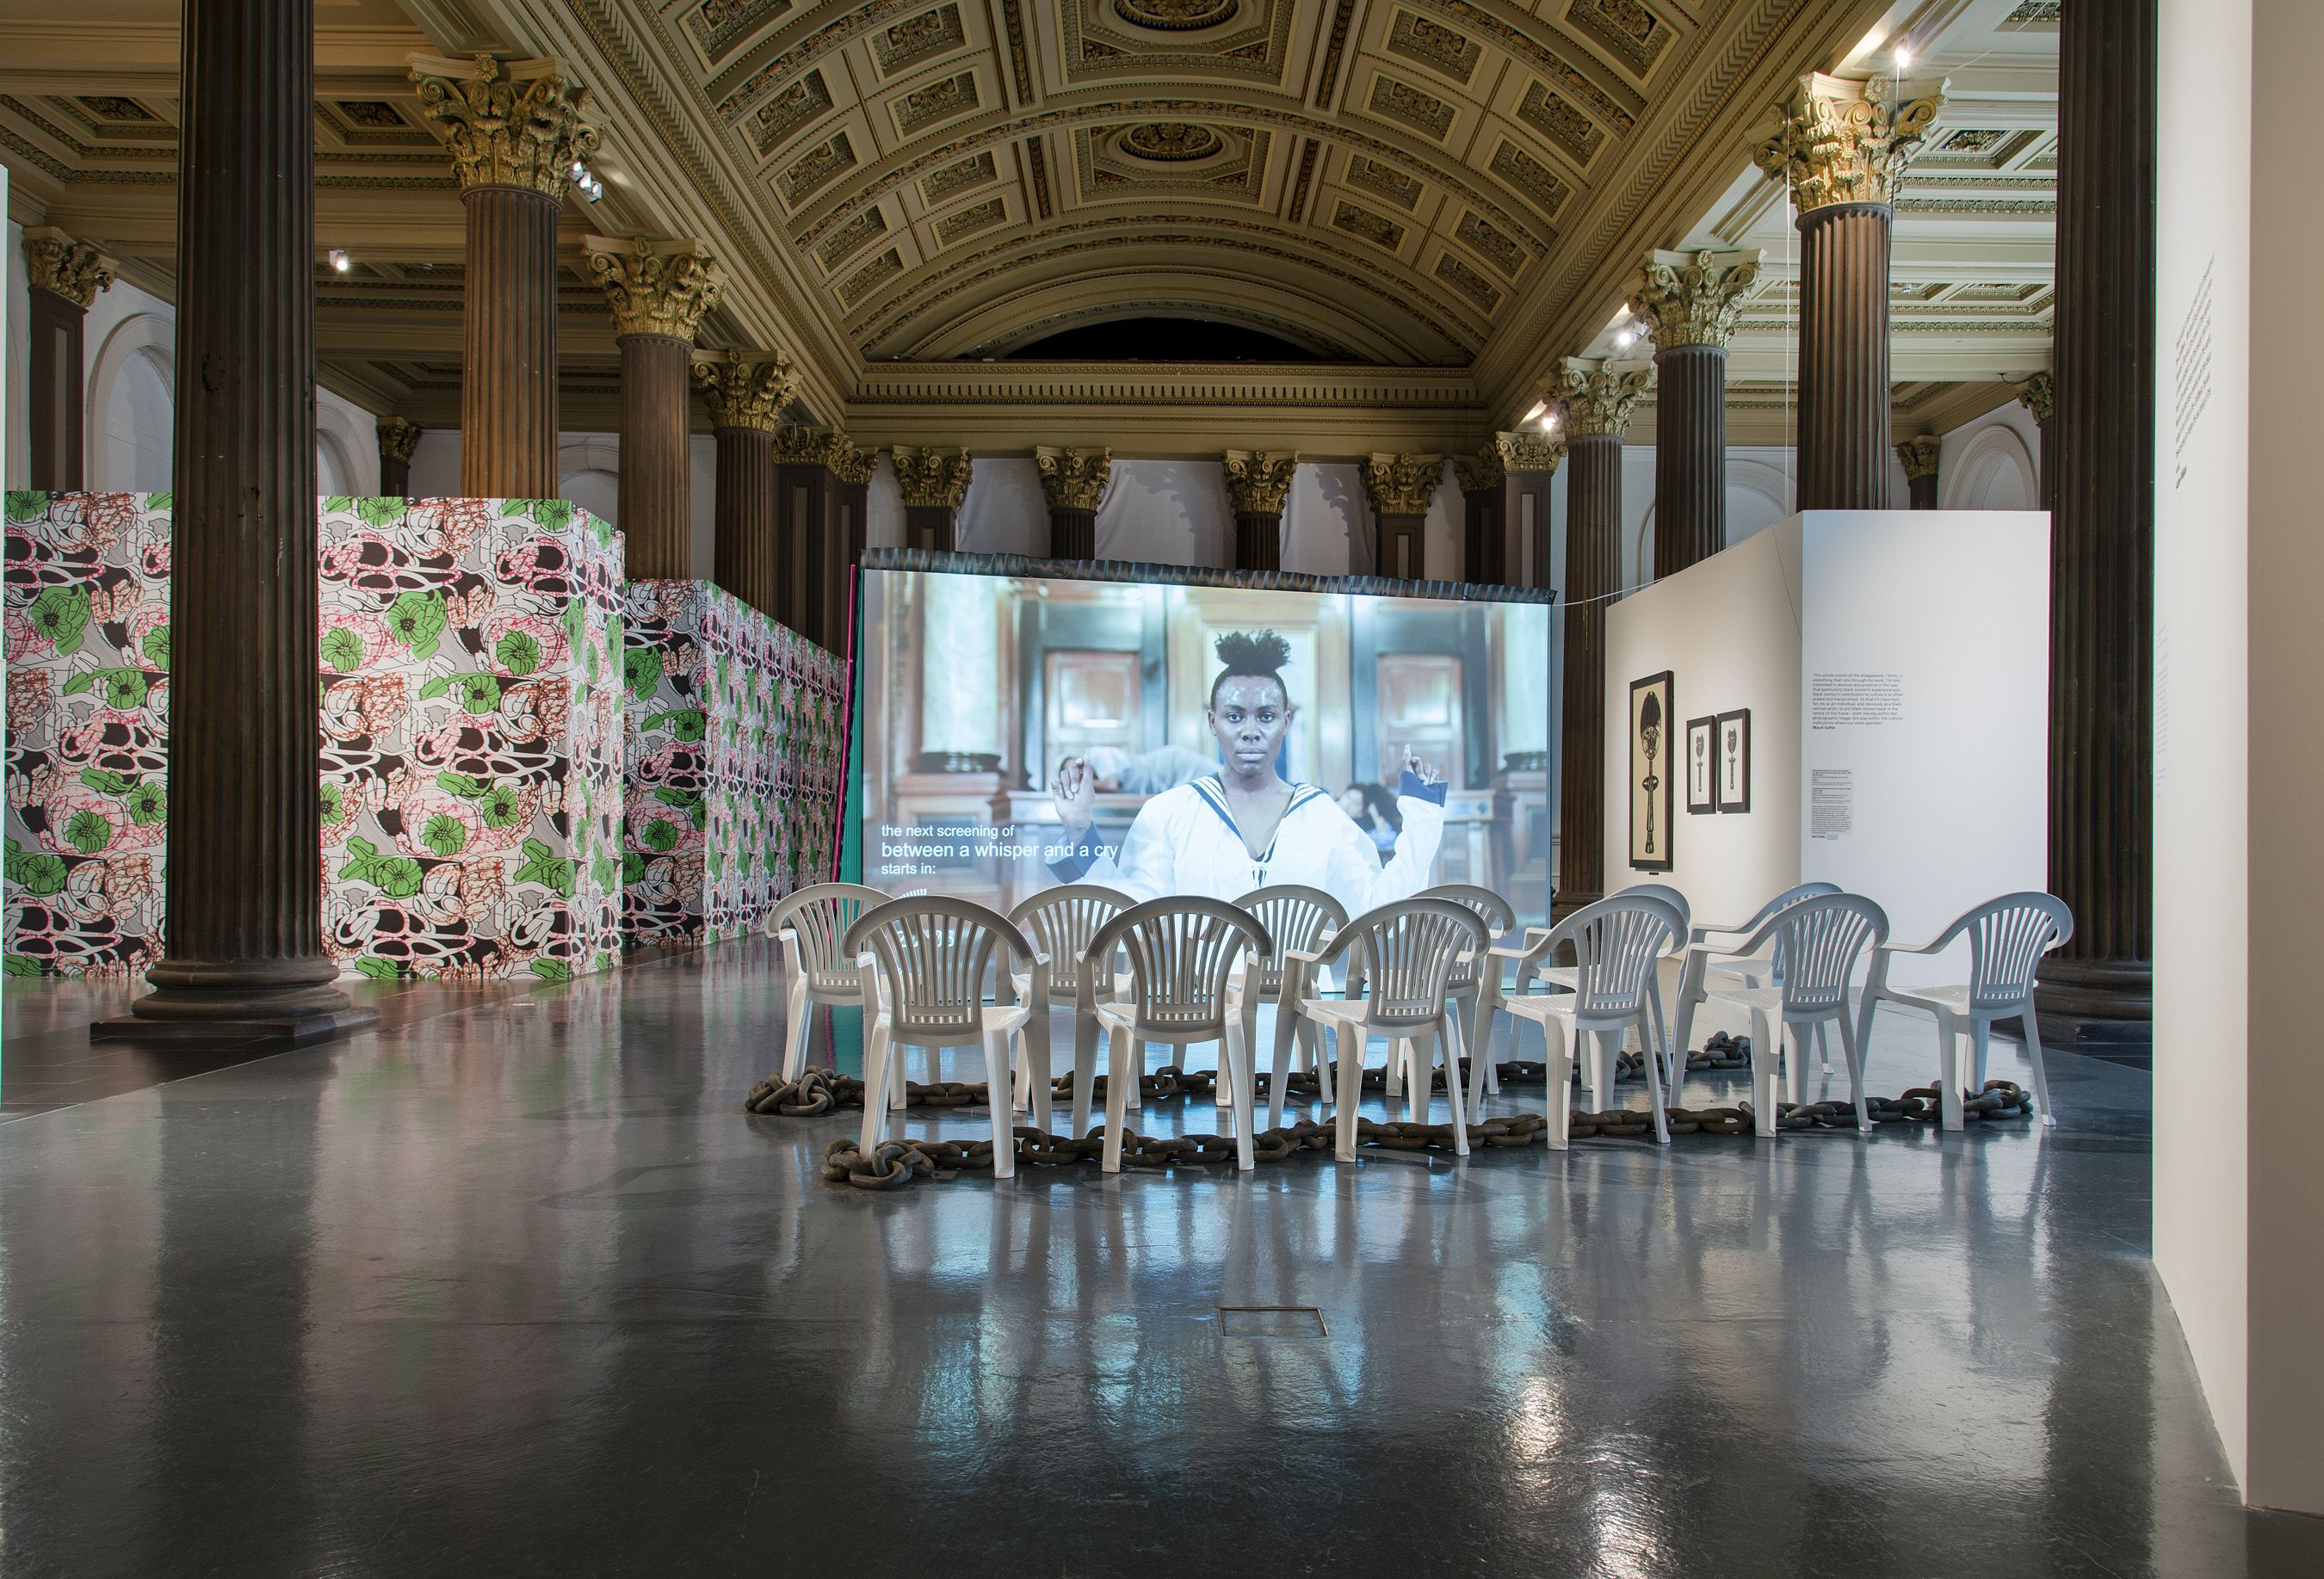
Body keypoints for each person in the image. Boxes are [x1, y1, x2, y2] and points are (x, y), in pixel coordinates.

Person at [1046, 630, 1446, 916]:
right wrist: (1080, 826)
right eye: (1235, 715)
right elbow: (1133, 911)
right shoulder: (1169, 812)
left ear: (1286, 722)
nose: (1251, 730)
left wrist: (1424, 816)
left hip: (1299, 1017)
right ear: (1212, 721)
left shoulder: (1321, 814)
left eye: (1266, 716)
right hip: (1201, 1015)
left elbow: (1377, 910)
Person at [1337, 782, 1403, 861]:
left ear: (1362, 812)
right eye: (1348, 797)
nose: (1349, 803)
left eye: (1356, 803)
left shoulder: (1358, 834)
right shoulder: (1325, 805)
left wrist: (1376, 815)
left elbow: (1386, 840)